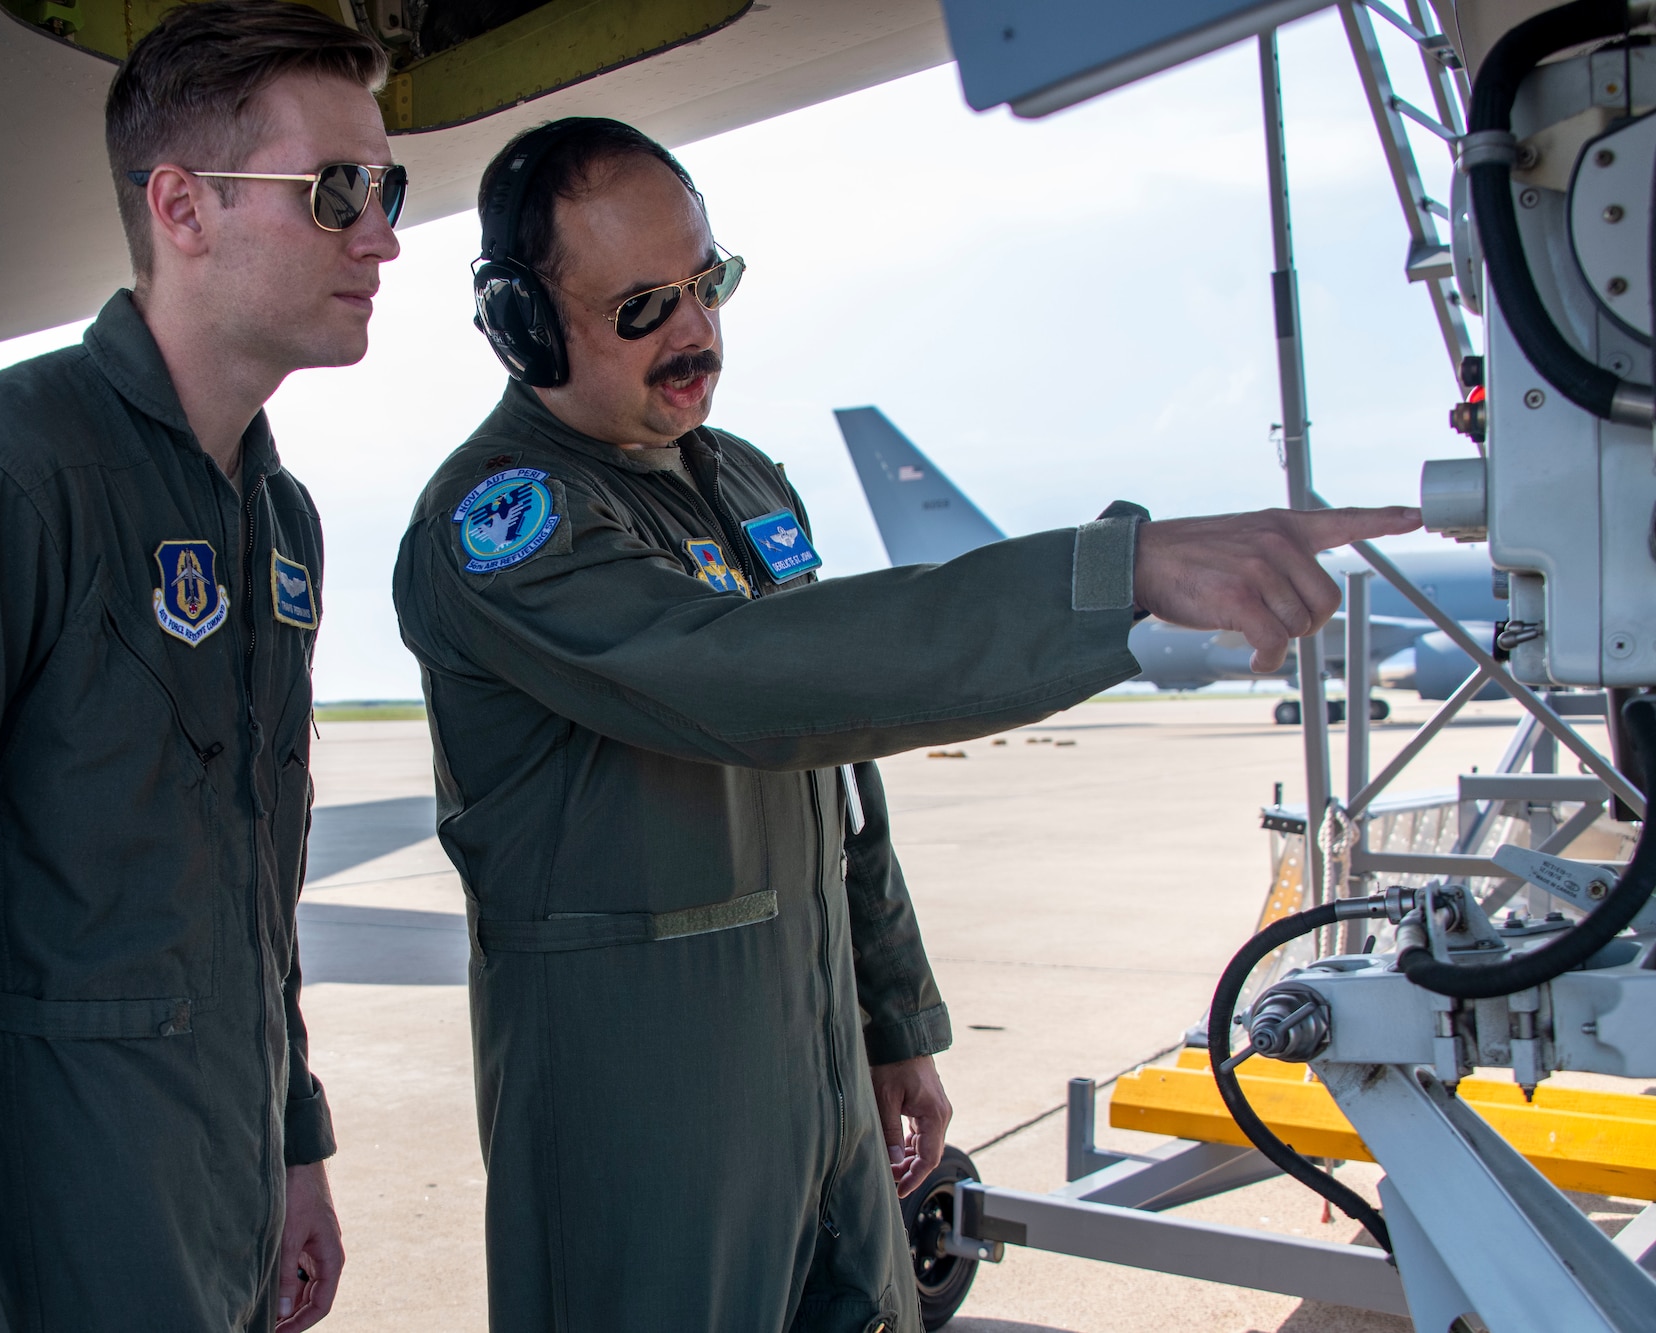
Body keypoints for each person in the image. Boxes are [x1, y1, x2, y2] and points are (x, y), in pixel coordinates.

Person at [391, 116, 1418, 1332]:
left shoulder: (740, 480)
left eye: (707, 283)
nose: (695, 331)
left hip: (816, 1062)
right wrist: (1109, 575)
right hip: (639, 1102)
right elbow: (751, 683)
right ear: (523, 326)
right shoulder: (500, 525)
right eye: (640, 308)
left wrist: (890, 1023)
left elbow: (840, 773)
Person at [0, 5, 401, 1329]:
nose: (382, 232)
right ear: (182, 206)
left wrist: (292, 1149)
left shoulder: (272, 520)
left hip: (216, 1228)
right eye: (337, 190)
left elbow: (247, 888)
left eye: (386, 187)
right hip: (48, 1256)